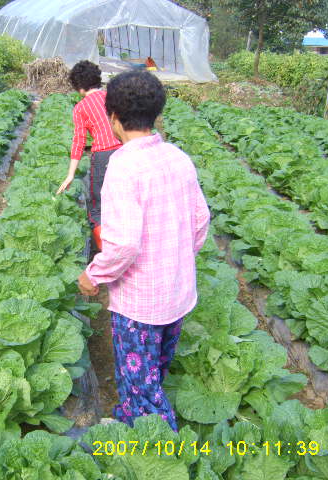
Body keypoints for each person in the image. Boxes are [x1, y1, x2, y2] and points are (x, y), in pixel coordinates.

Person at [77, 70, 210, 431]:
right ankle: (133, 419)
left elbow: (123, 244)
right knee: (155, 371)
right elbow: (201, 221)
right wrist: (176, 259)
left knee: (142, 389)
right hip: (177, 295)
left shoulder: (124, 165)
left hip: (140, 305)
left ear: (114, 117)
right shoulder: (178, 157)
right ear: (157, 115)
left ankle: (163, 450)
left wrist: (94, 275)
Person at [57, 60, 122, 250]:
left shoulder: (81, 108)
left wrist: (70, 174)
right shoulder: (113, 97)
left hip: (103, 155)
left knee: (98, 207)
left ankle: (106, 254)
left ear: (79, 87)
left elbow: (79, 141)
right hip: (126, 150)